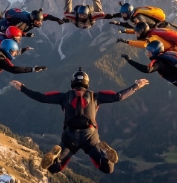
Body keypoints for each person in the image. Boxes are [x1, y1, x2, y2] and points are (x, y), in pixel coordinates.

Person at [9, 68, 148, 174]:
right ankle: (105, 153)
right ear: (87, 83)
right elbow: (118, 96)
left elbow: (41, 97)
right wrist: (136, 86)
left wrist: (22, 88)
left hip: (69, 136)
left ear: (72, 83)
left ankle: (56, 155)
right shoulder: (95, 96)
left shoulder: (64, 97)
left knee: (53, 168)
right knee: (108, 168)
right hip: (90, 136)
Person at [113, 1, 177, 40]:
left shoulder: (137, 18)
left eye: (123, 14)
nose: (122, 15)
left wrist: (120, 24)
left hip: (162, 30)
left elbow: (137, 28)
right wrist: (119, 23)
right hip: (163, 26)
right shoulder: (137, 13)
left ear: (128, 12)